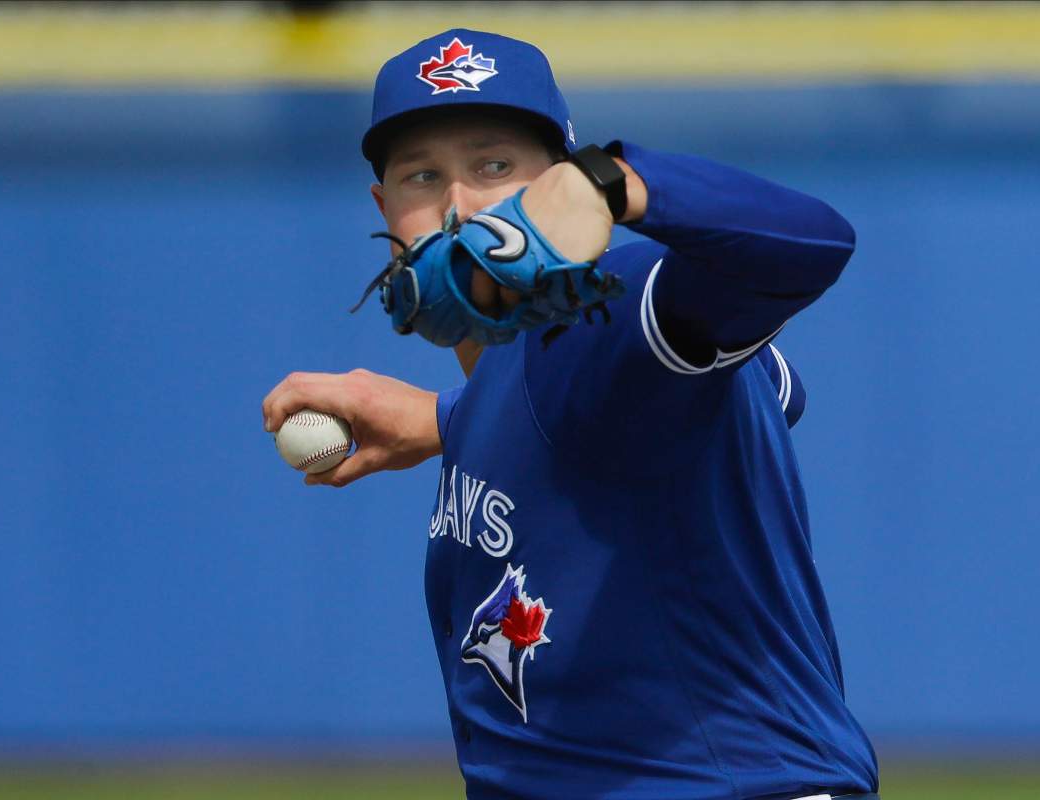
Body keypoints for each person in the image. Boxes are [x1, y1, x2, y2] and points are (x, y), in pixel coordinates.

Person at [262, 28, 879, 800]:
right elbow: (773, 388)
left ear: (555, 184)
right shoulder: (546, 387)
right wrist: (448, 419)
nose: (459, 204)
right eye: (423, 177)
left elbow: (811, 244)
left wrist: (613, 183)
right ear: (387, 216)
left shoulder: (606, 327)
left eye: (495, 167)